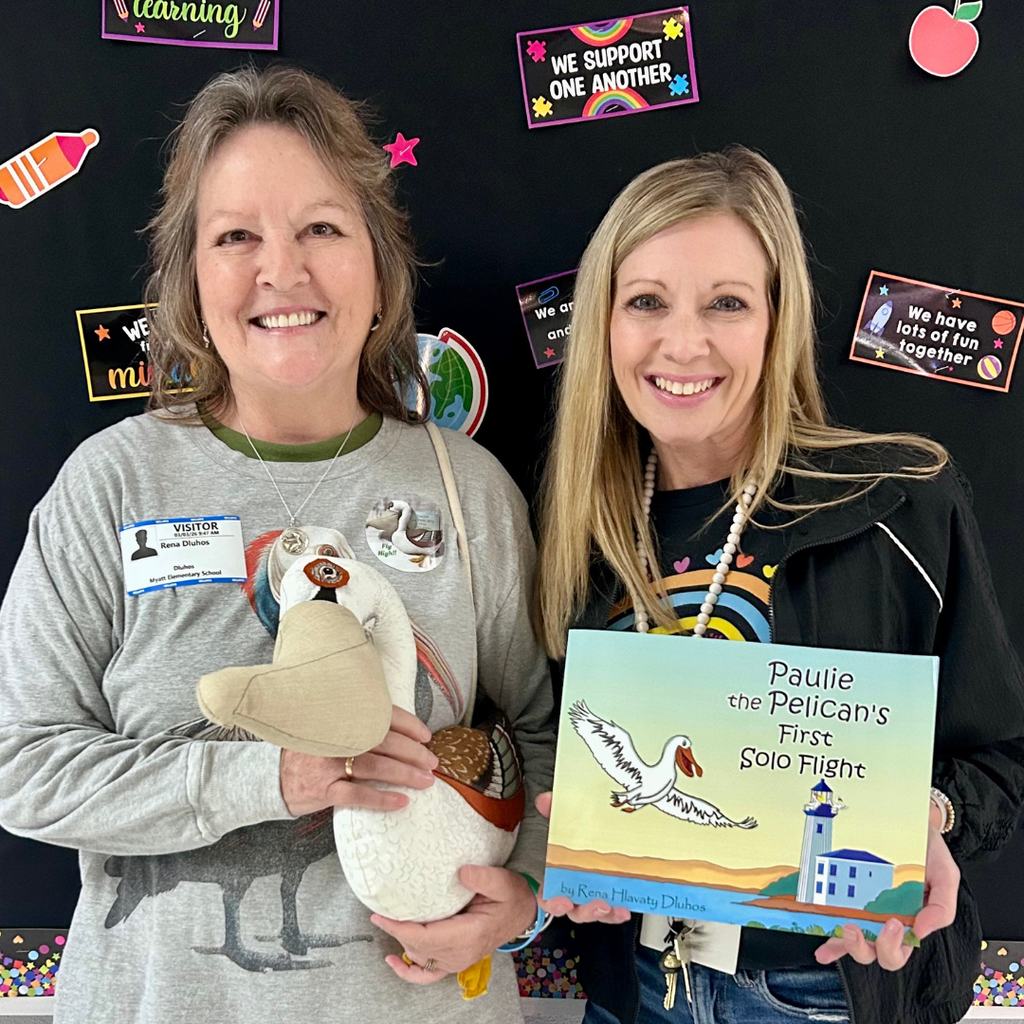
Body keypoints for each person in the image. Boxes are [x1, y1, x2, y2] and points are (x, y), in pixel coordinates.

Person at [0, 66, 553, 1023]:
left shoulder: (470, 493)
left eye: (322, 229)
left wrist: (527, 893)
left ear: (379, 267)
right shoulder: (109, 485)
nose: (281, 271)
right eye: (236, 236)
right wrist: (272, 776)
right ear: (190, 280)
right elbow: (21, 766)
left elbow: (547, 742)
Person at [535, 147, 1024, 1024]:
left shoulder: (900, 505)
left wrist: (933, 815)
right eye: (646, 301)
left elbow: (1006, 757)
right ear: (604, 321)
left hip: (828, 991)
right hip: (637, 987)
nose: (683, 343)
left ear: (776, 319)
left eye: (726, 303)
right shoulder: (581, 535)